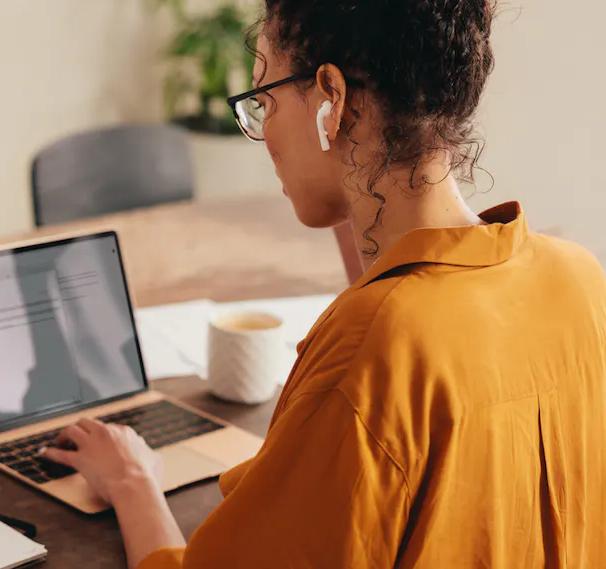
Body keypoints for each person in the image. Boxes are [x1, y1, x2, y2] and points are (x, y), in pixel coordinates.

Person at [38, 1, 606, 567]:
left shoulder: (375, 345)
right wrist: (349, 183)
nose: (265, 136)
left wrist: (133, 481)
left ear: (330, 98)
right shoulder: (579, 278)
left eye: (263, 99)